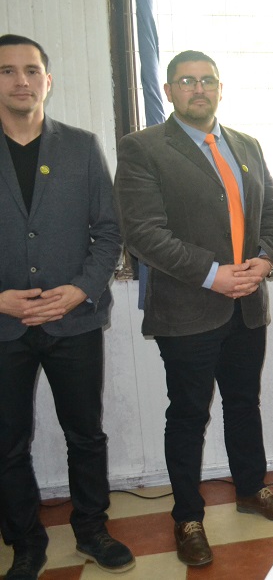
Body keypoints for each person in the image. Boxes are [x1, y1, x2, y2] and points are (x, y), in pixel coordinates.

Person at [114, 50, 273, 567]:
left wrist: (265, 260)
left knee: (244, 403)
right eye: (186, 81)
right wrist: (213, 274)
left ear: (221, 88)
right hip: (188, 308)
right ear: (170, 91)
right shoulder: (142, 149)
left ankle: (250, 489)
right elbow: (143, 233)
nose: (198, 89)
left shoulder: (247, 145)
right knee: (188, 415)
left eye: (207, 81)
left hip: (247, 304)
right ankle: (188, 517)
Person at [0, 35, 133, 579]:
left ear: (48, 81)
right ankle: (26, 543)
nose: (21, 80)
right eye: (7, 71)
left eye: (31, 70)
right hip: (4, 327)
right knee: (8, 445)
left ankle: (92, 528)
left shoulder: (81, 146)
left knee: (86, 433)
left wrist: (81, 288)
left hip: (74, 320)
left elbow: (108, 231)